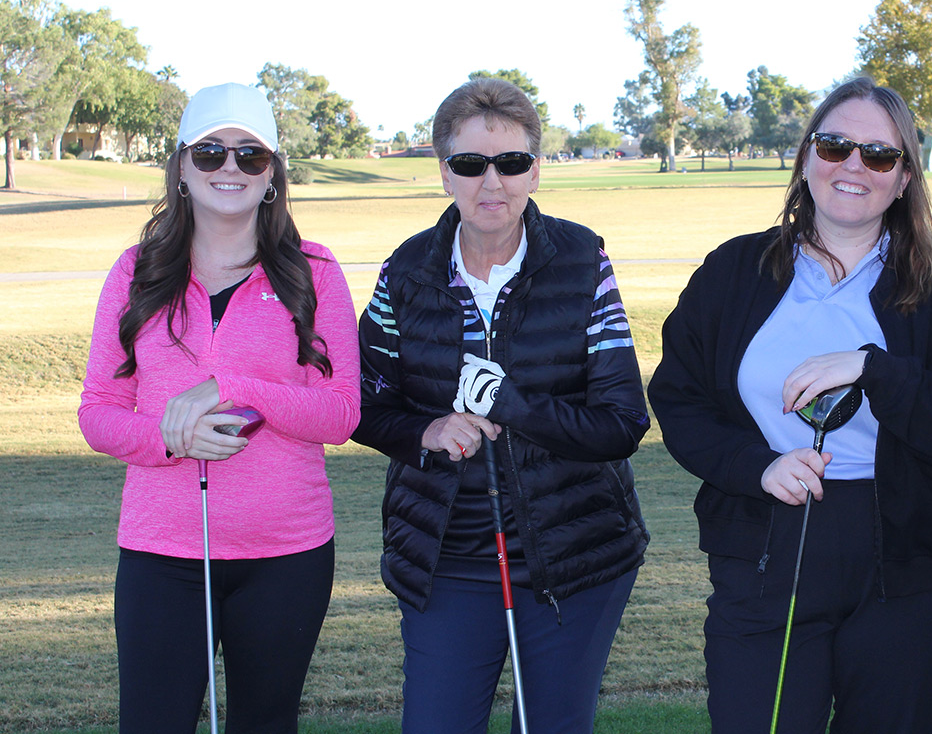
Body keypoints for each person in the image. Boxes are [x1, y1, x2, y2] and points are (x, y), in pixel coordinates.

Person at [649, 77, 932, 733]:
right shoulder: (734, 272)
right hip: (767, 547)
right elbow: (678, 398)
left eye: (878, 155)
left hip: (909, 568)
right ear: (806, 157)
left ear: (904, 178)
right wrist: (753, 465)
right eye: (834, 144)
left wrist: (874, 370)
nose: (853, 165)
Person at [352, 77, 649, 734]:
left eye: (512, 162)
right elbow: (361, 404)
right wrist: (426, 430)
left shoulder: (581, 259)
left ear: (536, 169)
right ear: (444, 172)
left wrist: (513, 405)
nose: (493, 182)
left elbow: (623, 423)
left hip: (574, 560)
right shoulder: (405, 271)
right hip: (448, 559)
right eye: (470, 164)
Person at [78, 82, 361, 733]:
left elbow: (342, 412)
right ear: (180, 168)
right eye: (209, 153)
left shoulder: (312, 271)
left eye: (250, 156)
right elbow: (98, 411)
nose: (229, 169)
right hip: (161, 550)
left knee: (265, 723)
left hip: (286, 554)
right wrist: (168, 435)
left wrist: (239, 389)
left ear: (271, 176)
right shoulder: (136, 271)